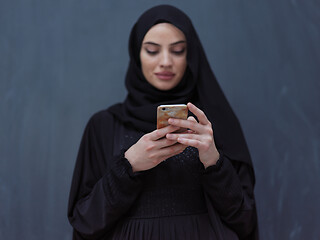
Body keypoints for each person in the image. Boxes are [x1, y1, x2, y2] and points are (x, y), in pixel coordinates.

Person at [68, 4, 259, 240]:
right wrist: (129, 166)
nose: (166, 61)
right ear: (137, 54)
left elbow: (245, 220)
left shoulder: (210, 124)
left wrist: (213, 161)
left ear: (191, 55)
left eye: (178, 50)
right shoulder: (104, 125)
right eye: (152, 50)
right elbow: (85, 221)